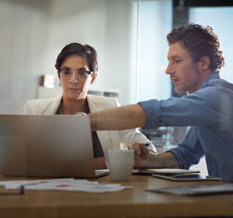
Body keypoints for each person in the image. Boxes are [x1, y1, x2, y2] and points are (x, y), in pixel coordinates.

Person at [87, 23, 233, 194]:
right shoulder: (208, 108)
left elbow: (154, 112)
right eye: (168, 61)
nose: (168, 70)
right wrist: (147, 161)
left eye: (177, 60)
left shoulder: (220, 97)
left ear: (203, 63)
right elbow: (184, 155)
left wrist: (83, 122)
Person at [22, 43, 156, 169]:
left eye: (82, 73)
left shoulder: (110, 107)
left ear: (93, 78)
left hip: (100, 188)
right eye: (66, 72)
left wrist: (102, 163)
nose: (73, 80)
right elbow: (17, 155)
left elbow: (149, 150)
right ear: (59, 75)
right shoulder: (34, 110)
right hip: (46, 187)